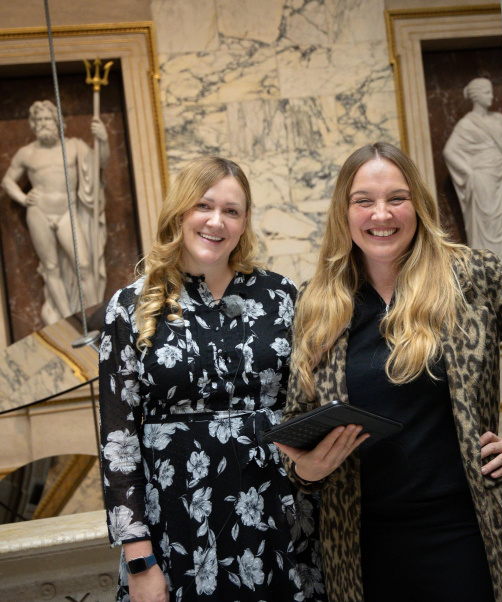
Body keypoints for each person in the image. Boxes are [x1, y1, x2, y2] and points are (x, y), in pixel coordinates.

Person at [275, 142, 502, 602]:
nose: (381, 214)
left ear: (418, 205)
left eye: (397, 198)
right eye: (364, 201)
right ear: (344, 213)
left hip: (468, 531)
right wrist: (305, 470)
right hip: (362, 544)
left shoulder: (470, 276)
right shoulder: (318, 303)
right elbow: (298, 419)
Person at [98, 157, 326, 601]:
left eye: (232, 211)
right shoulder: (130, 305)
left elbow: (307, 405)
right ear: (180, 212)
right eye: (204, 206)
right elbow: (118, 442)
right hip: (178, 526)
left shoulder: (281, 296)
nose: (216, 221)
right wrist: (140, 559)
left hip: (278, 520)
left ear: (244, 224)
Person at [2, 99, 107, 323]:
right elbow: (7, 181)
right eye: (38, 119)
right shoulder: (27, 153)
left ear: (57, 121)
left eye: (47, 118)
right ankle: (68, 320)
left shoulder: (74, 146)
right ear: (33, 123)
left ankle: (94, 314)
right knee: (50, 268)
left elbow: (101, 162)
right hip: (38, 212)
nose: (43, 123)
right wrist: (22, 198)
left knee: (84, 265)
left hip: (66, 212)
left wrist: (103, 140)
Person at [443, 77, 502, 277]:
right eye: (487, 93)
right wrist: (469, 172)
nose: (492, 96)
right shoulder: (466, 124)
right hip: (483, 181)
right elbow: (449, 151)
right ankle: (491, 275)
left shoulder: (499, 120)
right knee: (488, 227)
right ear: (476, 96)